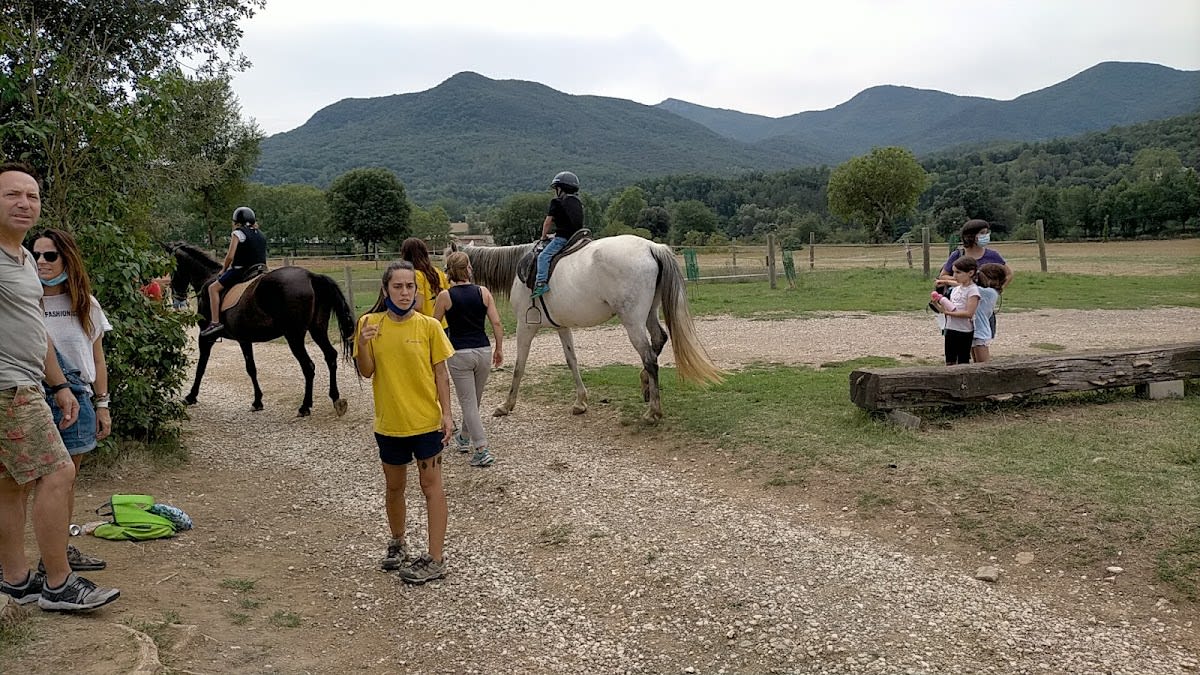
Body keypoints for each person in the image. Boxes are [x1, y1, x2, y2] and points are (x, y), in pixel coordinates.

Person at [0, 161, 120, 611]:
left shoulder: (24, 259)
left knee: (10, 484)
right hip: (9, 386)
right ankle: (59, 583)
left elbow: (37, 331)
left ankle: (15, 579)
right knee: (59, 471)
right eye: (12, 194)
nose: (24, 203)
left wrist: (60, 385)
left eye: (31, 196)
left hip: (31, 382)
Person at [354, 260, 454, 584]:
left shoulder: (429, 326)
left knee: (431, 487)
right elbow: (367, 371)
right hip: (390, 423)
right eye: (397, 286)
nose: (404, 292)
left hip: (425, 423)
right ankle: (398, 542)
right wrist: (363, 343)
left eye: (410, 286)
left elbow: (441, 374)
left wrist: (447, 414)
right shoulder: (369, 323)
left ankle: (435, 558)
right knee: (394, 486)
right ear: (385, 290)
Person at [33, 229, 113, 572]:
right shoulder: (24, 302)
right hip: (34, 395)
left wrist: (103, 405)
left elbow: (97, 359)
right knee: (19, 485)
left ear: (67, 258)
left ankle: (58, 554)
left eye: (50, 255)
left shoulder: (86, 305)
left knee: (65, 483)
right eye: (36, 254)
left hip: (79, 398)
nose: (41, 262)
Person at [433, 251, 504, 468]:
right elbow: (497, 322)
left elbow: (433, 327)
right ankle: (464, 438)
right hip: (483, 350)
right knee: (474, 400)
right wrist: (499, 348)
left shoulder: (445, 296)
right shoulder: (483, 292)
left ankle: (481, 449)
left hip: (459, 353)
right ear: (469, 269)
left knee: (468, 402)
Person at [936, 219, 1012, 335]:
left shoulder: (993, 255)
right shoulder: (957, 255)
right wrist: (963, 282)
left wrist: (996, 291)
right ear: (971, 236)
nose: (986, 236)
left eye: (986, 232)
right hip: (961, 304)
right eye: (982, 233)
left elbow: (1009, 274)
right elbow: (944, 276)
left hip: (983, 307)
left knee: (982, 338)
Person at [199, 206, 266, 338]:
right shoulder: (260, 234)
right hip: (260, 269)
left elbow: (230, 256)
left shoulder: (238, 233)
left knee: (213, 288)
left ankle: (215, 322)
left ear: (237, 222)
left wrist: (224, 269)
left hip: (242, 270)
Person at [531, 171, 585, 300]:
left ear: (560, 188)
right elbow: (572, 223)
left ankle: (541, 283)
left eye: (557, 188)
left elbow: (548, 222)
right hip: (578, 236)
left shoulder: (557, 202)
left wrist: (543, 237)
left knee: (543, 256)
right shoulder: (578, 202)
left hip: (563, 239)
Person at [937, 256, 981, 365]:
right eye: (953, 272)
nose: (954, 276)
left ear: (970, 273)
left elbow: (969, 313)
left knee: (963, 360)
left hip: (963, 331)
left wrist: (948, 313)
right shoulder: (956, 289)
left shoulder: (973, 291)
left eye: (958, 272)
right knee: (950, 360)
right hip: (950, 328)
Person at [399, 237, 449, 328]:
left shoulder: (416, 275)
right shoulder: (437, 271)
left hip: (426, 325)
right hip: (443, 324)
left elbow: (417, 305)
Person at [971, 263, 1007, 363]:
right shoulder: (986, 291)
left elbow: (969, 288)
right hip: (975, 329)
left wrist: (946, 281)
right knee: (976, 362)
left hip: (980, 331)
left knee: (983, 364)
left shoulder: (989, 292)